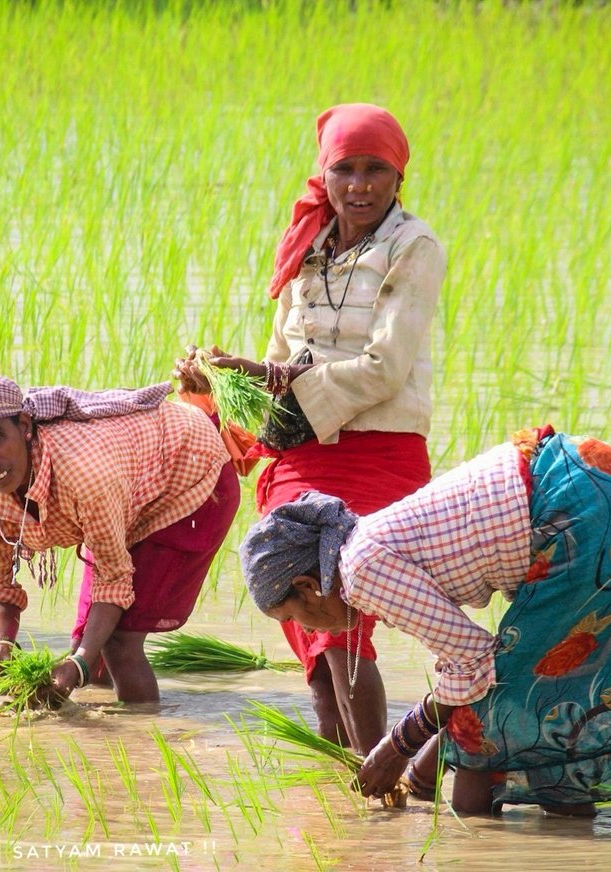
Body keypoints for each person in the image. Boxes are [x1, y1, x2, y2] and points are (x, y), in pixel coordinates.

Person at [176, 103, 446, 762]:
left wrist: (276, 376)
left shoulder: (414, 246)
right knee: (308, 622)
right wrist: (222, 386)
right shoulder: (307, 247)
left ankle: (376, 773)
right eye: (344, 169)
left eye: (374, 169)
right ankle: (343, 790)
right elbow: (280, 358)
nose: (359, 185)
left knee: (338, 625)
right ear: (323, 175)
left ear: (398, 177)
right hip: (300, 455)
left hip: (380, 454)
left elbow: (385, 368)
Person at [238, 426, 611, 815]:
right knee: (526, 703)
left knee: (491, 729)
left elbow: (474, 661)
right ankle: (562, 839)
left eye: (298, 619)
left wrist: (399, 746)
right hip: (608, 483)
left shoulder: (360, 570)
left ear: (308, 586)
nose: (317, 633)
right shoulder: (369, 542)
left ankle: (472, 840)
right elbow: (473, 665)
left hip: (584, 510)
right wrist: (424, 754)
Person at [0, 374, 240, 704]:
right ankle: (99, 741)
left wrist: (76, 663)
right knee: (91, 655)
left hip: (188, 471)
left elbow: (112, 578)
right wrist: (1, 645)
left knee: (120, 643)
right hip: (127, 484)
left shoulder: (83, 475)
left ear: (24, 425)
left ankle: (145, 746)